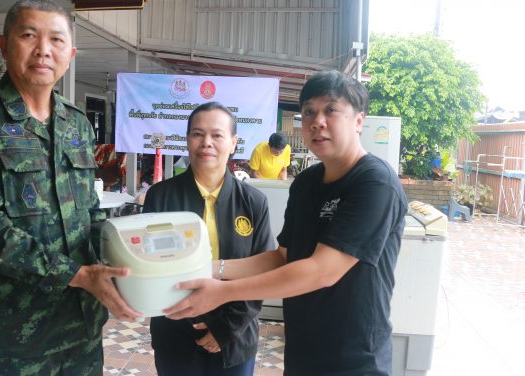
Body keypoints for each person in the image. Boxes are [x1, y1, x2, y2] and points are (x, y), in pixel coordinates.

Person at [0, 1, 139, 374]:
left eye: (56, 40)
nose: (43, 49)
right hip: (11, 331)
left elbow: (90, 212)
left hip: (81, 325)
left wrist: (125, 265)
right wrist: (77, 275)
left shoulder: (76, 124)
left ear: (71, 54)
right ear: (4, 44)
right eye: (29, 35)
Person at [163, 71, 408, 375]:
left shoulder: (374, 183)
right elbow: (282, 257)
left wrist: (223, 291)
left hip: (354, 355)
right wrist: (211, 269)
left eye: (331, 110)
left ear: (359, 121)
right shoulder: (306, 183)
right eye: (309, 112)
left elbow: (322, 271)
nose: (317, 121)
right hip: (304, 348)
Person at [143, 102, 276, 376]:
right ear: (187, 140)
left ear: (233, 143)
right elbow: (152, 266)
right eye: (197, 134)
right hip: (175, 329)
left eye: (217, 135)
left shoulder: (253, 202)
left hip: (235, 335)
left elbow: (264, 270)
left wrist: (225, 328)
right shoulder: (160, 196)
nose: (207, 143)